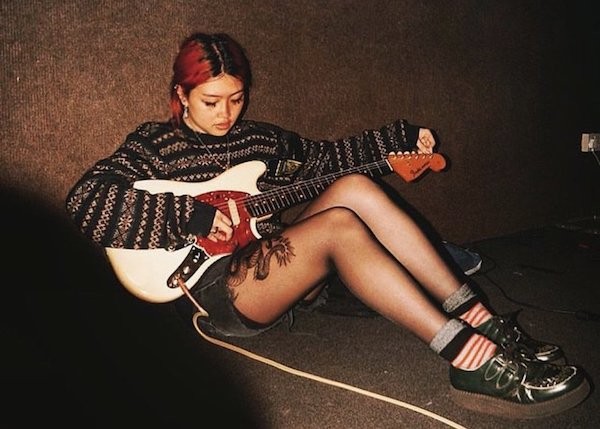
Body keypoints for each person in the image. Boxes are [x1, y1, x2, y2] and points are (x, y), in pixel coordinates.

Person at [66, 32, 590, 419]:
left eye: (236, 99)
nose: (226, 114)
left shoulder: (259, 140)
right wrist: (194, 215)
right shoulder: (155, 144)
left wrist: (398, 139)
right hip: (213, 290)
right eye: (210, 102)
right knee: (339, 224)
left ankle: (480, 319)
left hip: (273, 264)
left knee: (355, 187)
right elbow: (85, 202)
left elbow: (327, 160)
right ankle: (466, 356)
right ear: (181, 95)